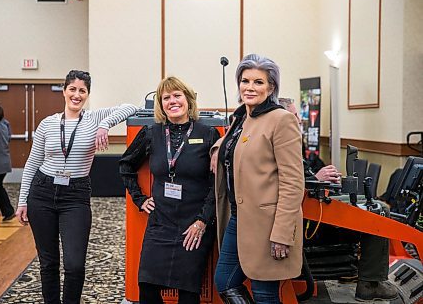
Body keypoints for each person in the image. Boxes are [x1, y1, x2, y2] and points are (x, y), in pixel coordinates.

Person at [15, 70, 137, 304]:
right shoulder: (47, 124)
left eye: (82, 91)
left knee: (74, 264)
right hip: (42, 192)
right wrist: (22, 201)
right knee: (48, 261)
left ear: (87, 95)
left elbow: (130, 107)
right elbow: (32, 162)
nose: (76, 95)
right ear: (64, 91)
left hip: (75, 195)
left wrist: (104, 125)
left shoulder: (93, 119)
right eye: (72, 89)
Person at [279, 97, 398, 302]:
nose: (300, 120)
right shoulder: (282, 143)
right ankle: (369, 283)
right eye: (295, 115)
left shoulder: (288, 142)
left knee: (372, 203)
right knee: (378, 211)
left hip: (311, 205)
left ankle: (372, 278)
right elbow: (287, 183)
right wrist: (316, 179)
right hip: (307, 217)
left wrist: (318, 178)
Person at [210, 54, 304, 303]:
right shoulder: (243, 117)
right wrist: (218, 148)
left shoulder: (281, 119)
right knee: (225, 280)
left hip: (268, 223)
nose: (250, 87)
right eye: (245, 81)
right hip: (238, 218)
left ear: (271, 87)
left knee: (264, 291)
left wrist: (283, 233)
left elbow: (293, 182)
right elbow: (238, 142)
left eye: (258, 82)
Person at [119, 76, 220, 304]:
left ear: (188, 100)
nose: (172, 101)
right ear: (161, 104)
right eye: (166, 98)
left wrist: (203, 221)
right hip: (160, 224)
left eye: (177, 95)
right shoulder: (151, 133)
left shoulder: (208, 134)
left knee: (187, 292)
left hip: (194, 225)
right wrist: (139, 199)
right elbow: (125, 165)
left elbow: (218, 185)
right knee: (146, 287)